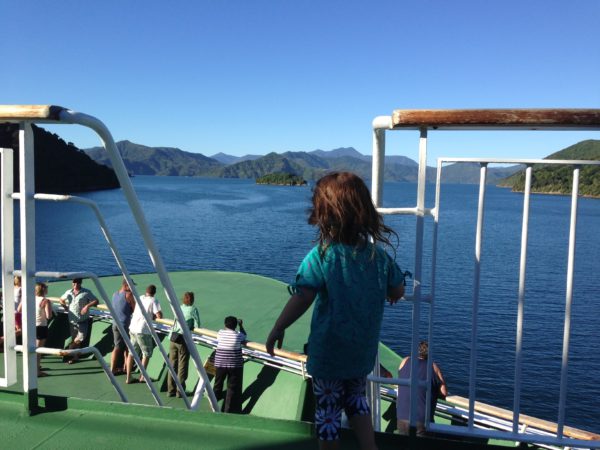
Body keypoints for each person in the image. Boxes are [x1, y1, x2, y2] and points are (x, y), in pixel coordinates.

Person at [265, 171, 405, 450]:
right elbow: (398, 289)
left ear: (323, 213)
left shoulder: (322, 256)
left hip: (329, 353)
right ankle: (370, 447)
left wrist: (279, 327)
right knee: (357, 400)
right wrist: (390, 294)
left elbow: (303, 296)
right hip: (361, 352)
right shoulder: (378, 257)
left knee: (327, 413)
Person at [396, 341, 448, 437]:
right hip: (421, 419)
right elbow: (444, 392)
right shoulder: (433, 367)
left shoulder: (405, 361)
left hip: (402, 417)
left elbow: (400, 377)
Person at [126, 284, 163, 384]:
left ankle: (128, 377)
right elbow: (159, 315)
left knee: (131, 353)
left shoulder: (140, 298)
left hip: (133, 328)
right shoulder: (153, 300)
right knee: (146, 354)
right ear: (154, 293)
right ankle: (142, 376)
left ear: (146, 291)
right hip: (143, 330)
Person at [167, 291, 201, 397]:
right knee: (182, 365)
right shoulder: (193, 309)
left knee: (172, 364)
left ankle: (170, 390)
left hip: (173, 337)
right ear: (192, 300)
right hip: (183, 339)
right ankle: (180, 390)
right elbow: (197, 324)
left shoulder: (179, 307)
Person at [59, 278, 99, 364]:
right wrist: (65, 307)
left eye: (77, 283)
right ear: (72, 283)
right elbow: (61, 299)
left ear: (81, 283)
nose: (75, 285)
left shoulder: (86, 292)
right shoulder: (68, 292)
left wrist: (87, 306)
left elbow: (96, 301)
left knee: (80, 338)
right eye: (74, 283)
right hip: (72, 320)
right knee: (75, 339)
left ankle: (68, 351)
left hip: (82, 320)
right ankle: (75, 357)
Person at [213, 316, 247, 413]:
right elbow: (244, 334)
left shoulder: (220, 333)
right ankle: (227, 409)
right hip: (234, 365)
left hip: (220, 364)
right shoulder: (238, 335)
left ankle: (214, 402)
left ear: (225, 324)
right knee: (231, 387)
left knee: (218, 384)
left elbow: (219, 337)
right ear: (235, 325)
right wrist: (241, 326)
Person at [110, 279, 135, 376]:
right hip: (124, 324)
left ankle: (120, 367)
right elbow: (135, 308)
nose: (132, 288)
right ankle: (119, 368)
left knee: (118, 346)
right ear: (126, 285)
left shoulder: (114, 294)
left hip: (115, 323)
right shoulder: (129, 295)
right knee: (127, 346)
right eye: (131, 286)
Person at [32, 282, 53, 376]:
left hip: (31, 326)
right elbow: (49, 316)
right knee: (38, 350)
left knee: (33, 349)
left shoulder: (31, 299)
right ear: (43, 289)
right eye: (47, 287)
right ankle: (36, 371)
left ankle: (34, 367)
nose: (47, 288)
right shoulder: (45, 301)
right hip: (41, 327)